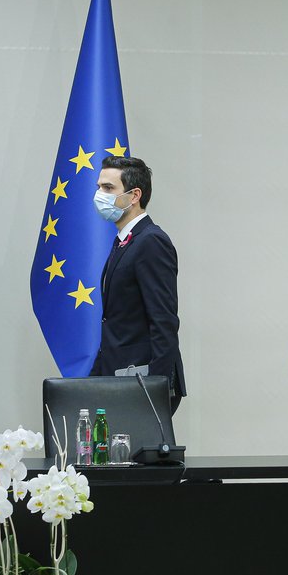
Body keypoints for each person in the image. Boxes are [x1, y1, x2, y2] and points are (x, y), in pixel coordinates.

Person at [89, 155, 186, 413]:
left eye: (109, 188)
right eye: (99, 187)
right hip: (117, 374)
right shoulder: (124, 240)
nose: (100, 194)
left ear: (134, 196)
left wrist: (157, 388)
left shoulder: (151, 241)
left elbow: (164, 321)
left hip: (141, 381)